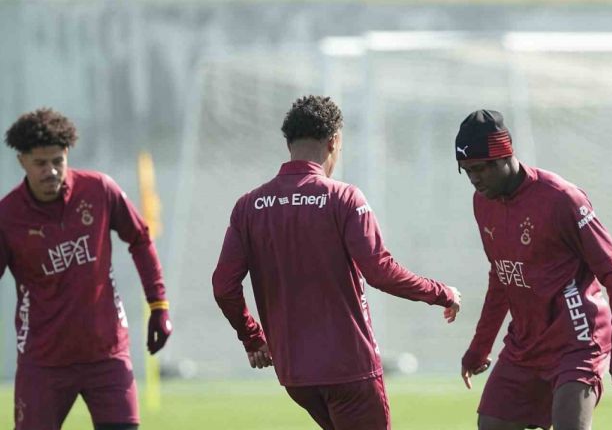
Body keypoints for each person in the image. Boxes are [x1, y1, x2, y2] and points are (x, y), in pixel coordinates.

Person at [212, 95, 461, 430]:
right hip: (349, 370)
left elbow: (223, 286)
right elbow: (380, 271)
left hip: (296, 375)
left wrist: (252, 336)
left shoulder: (248, 206)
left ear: (289, 144)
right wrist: (441, 292)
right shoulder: (343, 198)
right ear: (333, 141)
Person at [455, 110, 612, 430]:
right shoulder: (482, 202)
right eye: (467, 170)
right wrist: (479, 348)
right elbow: (502, 277)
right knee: (492, 424)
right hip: (525, 344)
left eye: (480, 168)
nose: (474, 179)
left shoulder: (561, 198)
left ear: (504, 156)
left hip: (577, 339)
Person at [0, 108, 173, 430]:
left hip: (107, 354)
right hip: (43, 361)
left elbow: (140, 238)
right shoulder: (7, 217)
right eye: (40, 163)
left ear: (67, 153)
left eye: (58, 161)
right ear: (22, 161)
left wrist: (158, 305)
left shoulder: (99, 190)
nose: (51, 171)